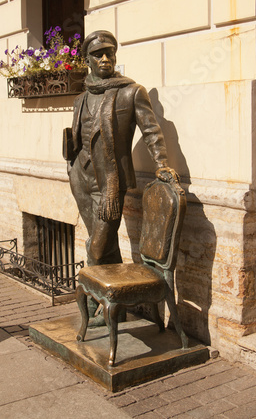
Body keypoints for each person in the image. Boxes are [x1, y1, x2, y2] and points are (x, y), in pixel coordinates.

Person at [65, 30, 179, 325]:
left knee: (97, 246)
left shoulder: (131, 92)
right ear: (87, 59)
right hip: (80, 177)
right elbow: (78, 138)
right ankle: (116, 306)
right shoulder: (81, 98)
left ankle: (93, 299)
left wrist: (162, 164)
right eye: (98, 54)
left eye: (109, 53)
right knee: (105, 242)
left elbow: (151, 131)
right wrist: (70, 167)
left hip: (109, 183)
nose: (105, 58)